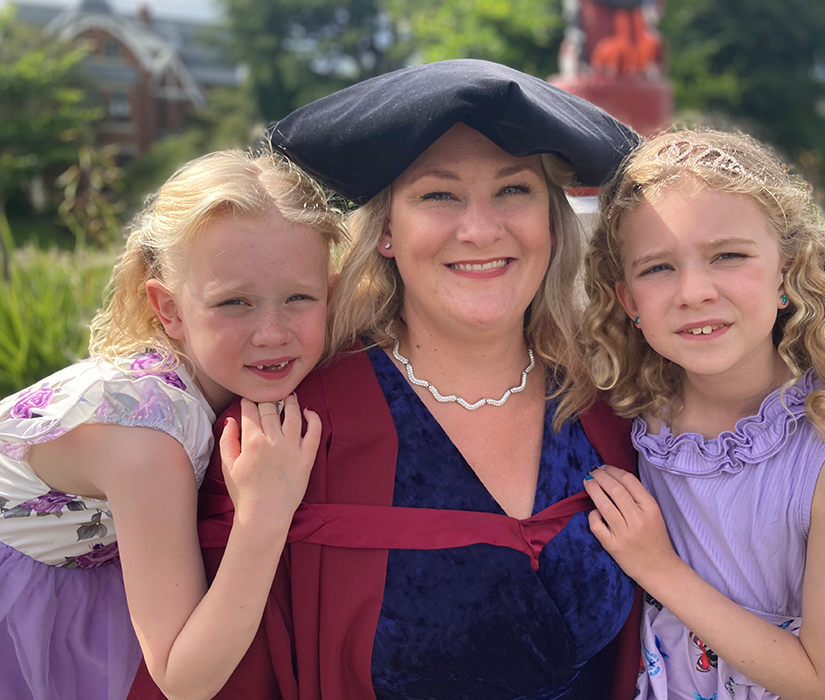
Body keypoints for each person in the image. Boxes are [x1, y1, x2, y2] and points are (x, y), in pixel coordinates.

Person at [128, 58, 644, 700]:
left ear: (550, 220)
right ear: (387, 233)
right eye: (438, 195)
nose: (481, 229)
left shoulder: (607, 421)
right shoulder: (287, 439)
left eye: (515, 190)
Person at [0, 149, 345, 700]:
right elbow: (184, 680)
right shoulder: (146, 444)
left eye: (299, 298)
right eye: (235, 303)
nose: (272, 333)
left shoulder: (209, 378)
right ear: (169, 311)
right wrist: (265, 513)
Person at [579, 128, 825, 700]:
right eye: (657, 268)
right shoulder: (623, 423)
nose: (694, 291)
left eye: (728, 256)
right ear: (628, 301)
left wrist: (658, 567)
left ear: (786, 272)